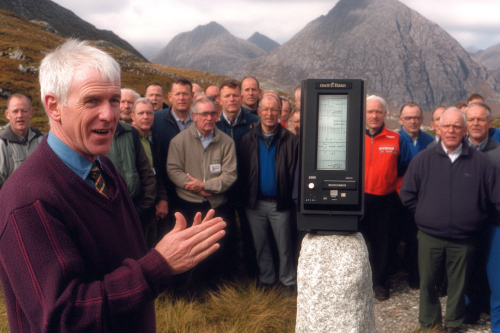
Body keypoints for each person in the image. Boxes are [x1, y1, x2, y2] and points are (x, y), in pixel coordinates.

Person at [0, 39, 226, 333]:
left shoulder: (102, 166)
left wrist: (177, 255)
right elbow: (62, 319)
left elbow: (124, 263)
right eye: (92, 100)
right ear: (53, 106)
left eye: (115, 100)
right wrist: (159, 265)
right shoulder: (29, 201)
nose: (110, 115)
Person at [401, 107, 500, 333]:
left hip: (464, 238)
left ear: (465, 130)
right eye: (447, 126)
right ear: (438, 128)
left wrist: (476, 217)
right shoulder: (423, 159)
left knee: (458, 285)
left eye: (457, 126)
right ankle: (429, 323)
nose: (451, 130)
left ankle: (454, 324)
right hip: (429, 237)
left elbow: (494, 198)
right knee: (428, 283)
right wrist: (424, 214)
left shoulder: (481, 163)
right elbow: (407, 194)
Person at [167, 97, 237, 284]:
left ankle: (218, 289)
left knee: (217, 248)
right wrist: (195, 189)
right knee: (192, 249)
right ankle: (192, 289)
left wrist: (206, 186)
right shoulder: (178, 141)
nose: (209, 118)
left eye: (212, 113)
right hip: (189, 204)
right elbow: (173, 169)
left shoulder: (227, 142)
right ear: (194, 116)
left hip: (217, 205)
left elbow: (230, 175)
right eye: (204, 114)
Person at [239, 94, 299, 296]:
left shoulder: (291, 141)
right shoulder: (247, 140)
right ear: (259, 112)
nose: (269, 113)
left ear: (280, 112)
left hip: (280, 204)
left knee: (284, 247)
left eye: (274, 109)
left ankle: (288, 281)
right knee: (261, 245)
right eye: (265, 109)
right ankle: (267, 280)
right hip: (254, 204)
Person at [363, 95, 413, 300]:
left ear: (385, 114)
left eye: (378, 111)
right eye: (369, 111)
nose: (374, 116)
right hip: (358, 200)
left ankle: (380, 283)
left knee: (383, 245)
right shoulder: (354, 136)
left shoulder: (396, 138)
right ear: (363, 114)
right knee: (359, 243)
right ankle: (359, 283)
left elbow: (407, 169)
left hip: (386, 200)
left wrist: (399, 193)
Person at [216, 79, 261, 277]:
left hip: (248, 187)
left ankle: (254, 275)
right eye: (227, 96)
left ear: (241, 98)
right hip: (223, 189)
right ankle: (229, 274)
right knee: (226, 232)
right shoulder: (214, 124)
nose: (232, 99)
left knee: (251, 233)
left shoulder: (255, 122)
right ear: (219, 99)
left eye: (235, 95)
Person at [464, 102, 500, 326]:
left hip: (495, 223)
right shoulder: (456, 151)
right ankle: (469, 311)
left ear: (490, 122)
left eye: (480, 119)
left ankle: (497, 323)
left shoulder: (498, 151)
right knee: (467, 270)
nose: (476, 123)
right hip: (465, 223)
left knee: (496, 276)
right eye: (471, 119)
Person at [151, 77, 195, 237]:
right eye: (178, 94)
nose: (181, 98)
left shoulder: (200, 120)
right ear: (170, 97)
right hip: (167, 192)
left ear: (192, 96)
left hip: (194, 191)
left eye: (185, 94)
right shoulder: (156, 120)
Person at [398, 102, 434, 288]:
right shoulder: (394, 139)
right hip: (396, 198)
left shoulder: (430, 141)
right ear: (400, 119)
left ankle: (416, 275)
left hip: (423, 199)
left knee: (416, 238)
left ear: (422, 119)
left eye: (416, 117)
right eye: (408, 118)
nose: (413, 121)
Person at [131, 97, 169, 247]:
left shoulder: (155, 140)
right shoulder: (128, 140)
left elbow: (157, 173)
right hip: (137, 208)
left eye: (149, 113)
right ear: (133, 116)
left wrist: (162, 198)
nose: (145, 117)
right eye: (141, 113)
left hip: (152, 207)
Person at [0, 93, 43, 190]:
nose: (20, 115)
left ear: (31, 113)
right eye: (15, 111)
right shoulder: (2, 143)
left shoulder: (41, 140)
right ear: (8, 114)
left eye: (24, 111)